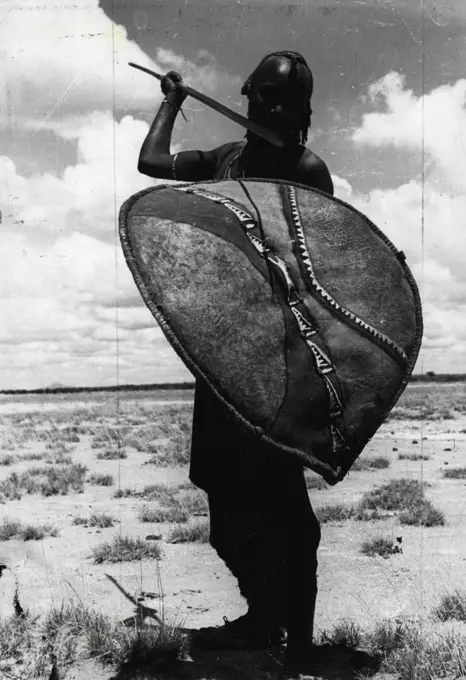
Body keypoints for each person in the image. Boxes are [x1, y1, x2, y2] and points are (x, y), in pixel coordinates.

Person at [138, 51, 333, 677]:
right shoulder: (224, 160)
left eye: (285, 102)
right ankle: (262, 614)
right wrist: (172, 102)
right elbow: (150, 164)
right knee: (223, 503)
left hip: (279, 360)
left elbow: (316, 266)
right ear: (246, 97)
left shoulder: (307, 169)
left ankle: (297, 641)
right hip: (222, 357)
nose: (271, 111)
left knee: (286, 511)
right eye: (264, 98)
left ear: (302, 113)